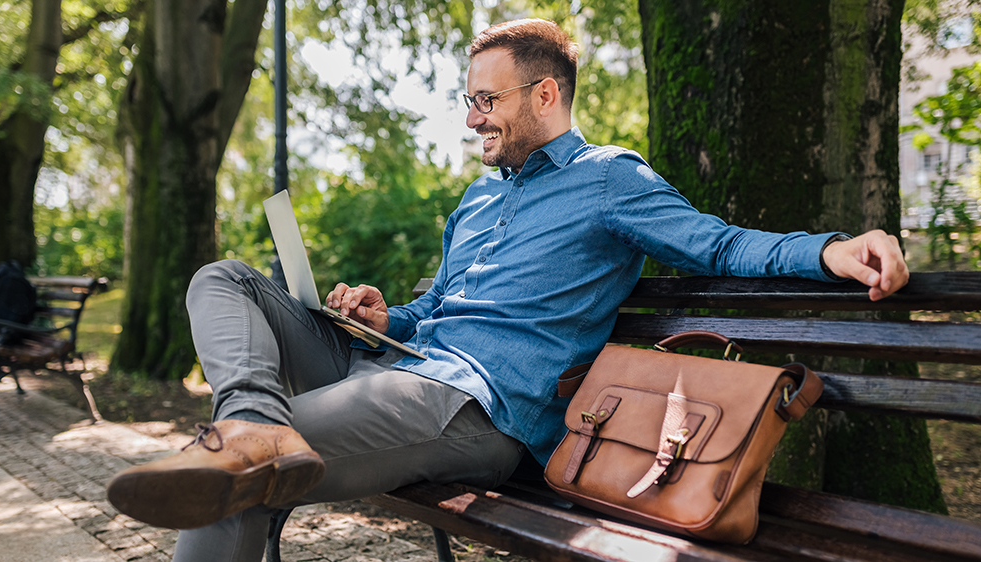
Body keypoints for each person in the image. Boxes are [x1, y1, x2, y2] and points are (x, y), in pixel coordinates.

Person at [106, 18, 909, 562]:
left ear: (545, 96)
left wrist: (834, 249)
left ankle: (249, 435)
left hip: (475, 408)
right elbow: (434, 307)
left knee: (233, 478)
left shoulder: (608, 180)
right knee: (226, 279)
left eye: (485, 101)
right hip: (396, 366)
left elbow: (718, 242)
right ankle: (250, 418)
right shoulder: (480, 195)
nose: (471, 120)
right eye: (469, 101)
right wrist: (388, 315)